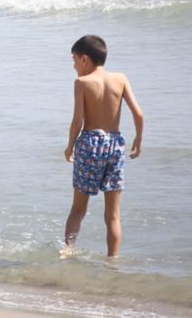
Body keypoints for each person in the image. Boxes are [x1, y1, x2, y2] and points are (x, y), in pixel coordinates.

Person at [62, 35, 144, 258]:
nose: (73, 65)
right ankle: (113, 260)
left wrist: (70, 146)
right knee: (113, 214)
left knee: (78, 209)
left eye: (74, 60)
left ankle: (67, 251)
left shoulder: (82, 83)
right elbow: (139, 113)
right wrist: (138, 139)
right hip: (115, 144)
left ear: (85, 60)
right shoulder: (121, 79)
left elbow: (78, 121)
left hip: (90, 143)